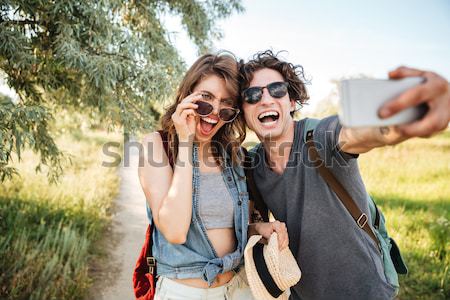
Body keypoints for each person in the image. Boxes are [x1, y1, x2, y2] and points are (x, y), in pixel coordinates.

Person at [238, 50, 450, 300]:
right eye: (252, 95)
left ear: (292, 101)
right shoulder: (252, 164)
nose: (265, 100)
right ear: (243, 111)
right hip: (301, 293)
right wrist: (257, 227)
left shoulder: (319, 137)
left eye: (276, 90)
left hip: (365, 289)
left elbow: (356, 132)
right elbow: (248, 227)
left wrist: (400, 118)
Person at [137, 52, 289, 300]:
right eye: (205, 99)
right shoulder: (157, 146)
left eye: (226, 104)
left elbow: (230, 229)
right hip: (184, 292)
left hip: (238, 288)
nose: (214, 112)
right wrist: (186, 142)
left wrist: (258, 228)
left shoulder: (234, 156)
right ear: (186, 95)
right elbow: (174, 230)